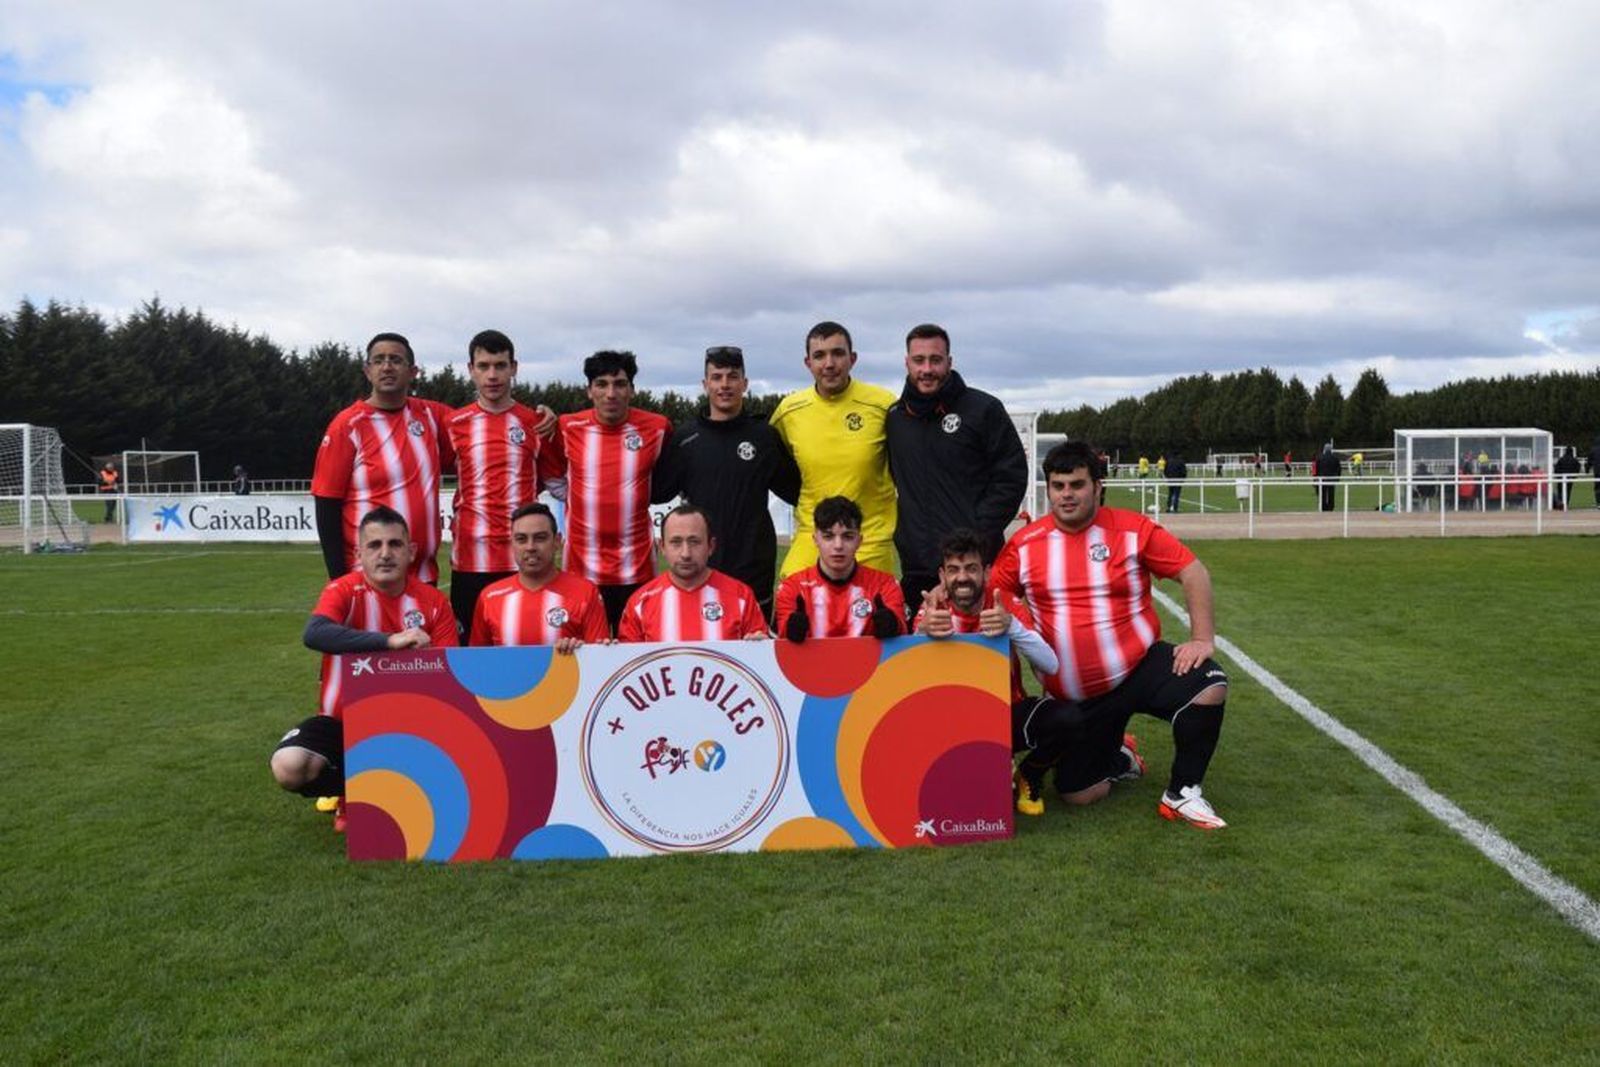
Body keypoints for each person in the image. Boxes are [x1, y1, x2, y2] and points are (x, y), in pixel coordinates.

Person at [990, 441, 1230, 830]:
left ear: (1098, 486)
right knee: (1078, 795)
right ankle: (1120, 757)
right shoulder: (1025, 544)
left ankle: (1182, 793)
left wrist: (1202, 638)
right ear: (1048, 489)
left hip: (1138, 668)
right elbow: (993, 594)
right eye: (1058, 485)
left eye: (1077, 484)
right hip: (1076, 694)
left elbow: (1193, 571)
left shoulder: (1132, 530)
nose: (1067, 495)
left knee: (1210, 685)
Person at [914, 528, 1143, 816]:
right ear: (942, 576)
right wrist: (921, 634)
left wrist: (1012, 627)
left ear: (986, 573)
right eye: (954, 570)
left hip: (1006, 713)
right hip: (954, 723)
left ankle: (1029, 774)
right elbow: (911, 680)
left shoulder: (1004, 602)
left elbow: (1051, 664)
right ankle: (981, 768)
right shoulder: (933, 608)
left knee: (1068, 718)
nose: (962, 577)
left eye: (971, 568)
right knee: (981, 804)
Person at [268, 506, 458, 826]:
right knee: (289, 766)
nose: (385, 554)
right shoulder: (344, 590)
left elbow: (450, 670)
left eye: (395, 544)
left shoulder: (433, 602)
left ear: (411, 552)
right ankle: (353, 791)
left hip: (413, 726)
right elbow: (314, 633)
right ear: (359, 553)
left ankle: (394, 789)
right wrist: (388, 642)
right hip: (342, 724)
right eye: (374, 545)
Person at [884, 323, 1029, 610]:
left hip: (972, 568)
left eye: (935, 360)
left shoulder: (983, 409)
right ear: (906, 362)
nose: (927, 369)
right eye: (918, 360)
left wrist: (975, 540)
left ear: (949, 362)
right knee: (921, 654)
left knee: (984, 651)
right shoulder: (895, 419)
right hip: (918, 567)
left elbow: (1010, 478)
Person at [654, 346, 800, 621]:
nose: (724, 385)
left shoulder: (764, 436)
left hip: (753, 568)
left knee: (753, 652)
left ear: (744, 384)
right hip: (698, 567)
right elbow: (659, 492)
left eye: (732, 377)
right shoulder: (685, 438)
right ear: (705, 384)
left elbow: (798, 491)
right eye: (717, 377)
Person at [544, 351, 673, 633]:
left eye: (619, 383)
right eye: (601, 384)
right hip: (581, 569)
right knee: (582, 656)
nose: (610, 393)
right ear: (589, 390)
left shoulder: (658, 428)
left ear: (632, 389)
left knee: (636, 653)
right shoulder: (567, 427)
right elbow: (554, 478)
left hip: (636, 567)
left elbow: (665, 481)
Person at [446, 330, 564, 640]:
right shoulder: (453, 424)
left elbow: (560, 486)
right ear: (471, 369)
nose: (493, 375)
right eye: (483, 366)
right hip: (471, 559)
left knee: (524, 645)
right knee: (471, 655)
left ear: (514, 367)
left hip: (522, 559)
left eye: (500, 365)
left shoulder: (536, 422)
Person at [312, 332, 455, 583]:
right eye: (378, 360)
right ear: (367, 371)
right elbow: (326, 505)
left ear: (413, 372)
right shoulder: (347, 425)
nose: (387, 366)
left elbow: (485, 420)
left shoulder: (432, 415)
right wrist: (338, 579)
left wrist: (541, 417)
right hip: (367, 577)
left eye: (396, 360)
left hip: (422, 576)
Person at [770, 322, 897, 578]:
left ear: (853, 359)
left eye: (837, 353)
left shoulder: (883, 405)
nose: (829, 363)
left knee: (874, 615)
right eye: (819, 355)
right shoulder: (789, 411)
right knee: (790, 606)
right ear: (808, 363)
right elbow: (772, 464)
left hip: (869, 540)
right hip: (812, 536)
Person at [617, 504, 769, 642]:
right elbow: (625, 663)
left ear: (711, 546)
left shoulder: (741, 597)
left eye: (694, 542)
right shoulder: (640, 603)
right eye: (676, 542)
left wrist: (760, 646)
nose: (685, 553)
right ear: (662, 547)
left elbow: (761, 663)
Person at [470, 503, 609, 651]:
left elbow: (599, 660)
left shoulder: (585, 592)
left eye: (540, 538)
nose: (530, 547)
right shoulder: (490, 597)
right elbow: (476, 662)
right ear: (512, 544)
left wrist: (577, 653)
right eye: (521, 539)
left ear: (557, 541)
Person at [774, 496, 905, 641]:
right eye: (828, 536)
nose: (838, 546)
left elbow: (903, 638)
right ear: (815, 539)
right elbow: (778, 646)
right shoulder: (792, 588)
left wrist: (893, 626)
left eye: (847, 537)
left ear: (859, 541)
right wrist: (790, 631)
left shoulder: (885, 585)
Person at [1317, 443, 1342, 512]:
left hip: (1322, 479)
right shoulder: (1335, 458)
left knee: (1323, 494)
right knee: (1331, 493)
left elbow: (1317, 469)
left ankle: (1323, 507)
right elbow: (1339, 469)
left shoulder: (1320, 458)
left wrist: (1317, 478)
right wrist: (1338, 478)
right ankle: (1331, 507)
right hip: (1332, 478)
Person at [1589, 437, 1600, 509]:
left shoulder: (1593, 450)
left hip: (1597, 472)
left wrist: (1587, 470)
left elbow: (1589, 461)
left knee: (1597, 487)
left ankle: (1598, 503)